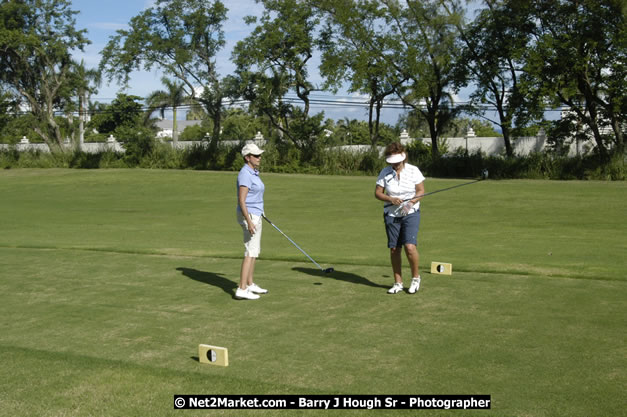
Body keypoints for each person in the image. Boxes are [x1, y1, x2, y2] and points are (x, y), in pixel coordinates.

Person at [375, 142, 426, 294]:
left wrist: (410, 203)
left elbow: (421, 190)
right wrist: (390, 199)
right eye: (392, 162)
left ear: (403, 158)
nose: (395, 164)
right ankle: (398, 282)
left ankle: (415, 278)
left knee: (409, 247)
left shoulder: (413, 170)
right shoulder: (385, 172)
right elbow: (378, 193)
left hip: (411, 212)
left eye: (397, 161)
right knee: (394, 249)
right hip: (391, 214)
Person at [235, 143, 269, 300]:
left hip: (256, 214)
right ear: (247, 158)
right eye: (256, 155)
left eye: (259, 155)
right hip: (248, 215)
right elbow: (242, 200)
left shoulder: (253, 172)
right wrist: (249, 221)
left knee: (255, 250)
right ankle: (241, 288)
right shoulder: (245, 174)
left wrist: (260, 212)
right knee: (250, 251)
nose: (259, 157)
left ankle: (249, 283)